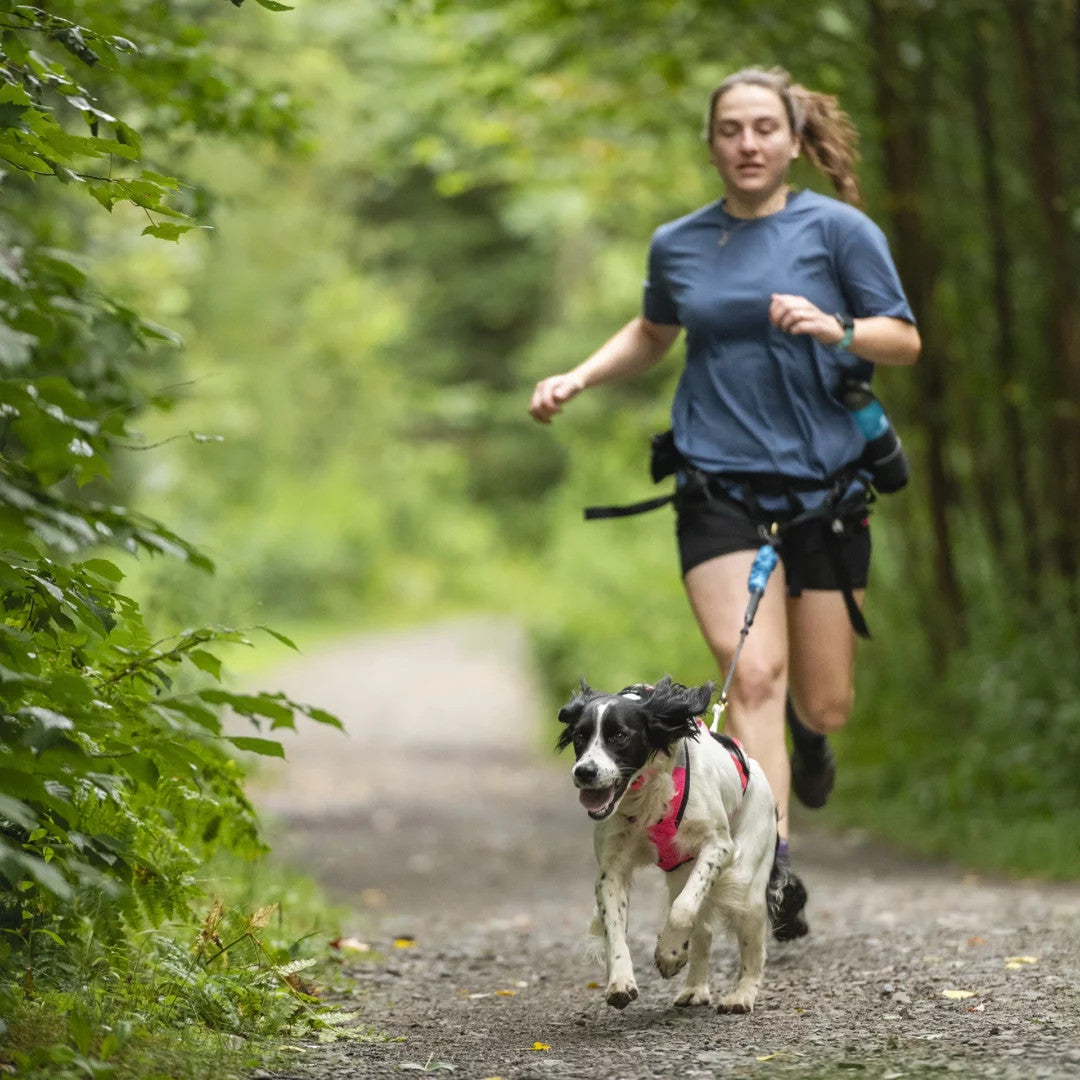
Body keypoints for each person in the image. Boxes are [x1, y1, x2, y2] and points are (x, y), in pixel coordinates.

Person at [528, 66, 920, 940]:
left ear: (791, 139)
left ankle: (807, 744)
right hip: (717, 485)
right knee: (752, 675)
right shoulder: (679, 242)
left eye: (763, 129)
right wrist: (580, 375)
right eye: (730, 129)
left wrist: (838, 328)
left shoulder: (841, 231)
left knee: (822, 703)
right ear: (711, 143)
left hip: (825, 491)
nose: (747, 144)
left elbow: (905, 339)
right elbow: (654, 330)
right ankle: (770, 867)